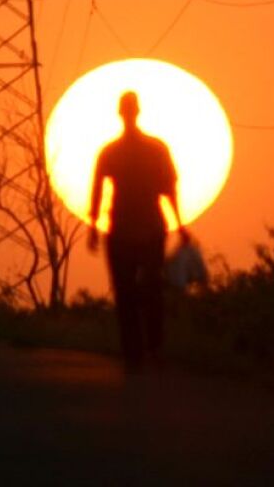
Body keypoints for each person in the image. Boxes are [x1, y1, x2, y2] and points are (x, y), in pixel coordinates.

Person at [87, 91, 187, 372]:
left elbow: (169, 189)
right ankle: (144, 351)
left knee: (138, 292)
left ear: (123, 113)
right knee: (140, 291)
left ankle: (142, 351)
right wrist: (94, 227)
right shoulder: (147, 149)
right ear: (134, 112)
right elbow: (169, 190)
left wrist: (180, 224)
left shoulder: (123, 151)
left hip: (136, 230)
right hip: (132, 230)